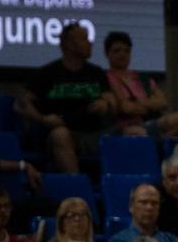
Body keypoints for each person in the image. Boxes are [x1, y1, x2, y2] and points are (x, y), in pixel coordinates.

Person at [14, 23, 114, 173]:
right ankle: (77, 191)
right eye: (85, 39)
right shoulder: (47, 74)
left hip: (92, 134)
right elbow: (20, 105)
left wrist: (105, 104)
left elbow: (112, 102)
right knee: (60, 135)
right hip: (60, 133)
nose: (90, 43)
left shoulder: (96, 73)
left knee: (133, 133)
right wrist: (42, 119)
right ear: (69, 45)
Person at [104, 30, 178, 137]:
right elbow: (126, 108)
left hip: (147, 123)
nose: (122, 54)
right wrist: (148, 104)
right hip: (122, 128)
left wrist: (138, 103)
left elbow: (163, 102)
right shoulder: (106, 78)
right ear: (107, 54)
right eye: (117, 51)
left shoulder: (141, 77)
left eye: (127, 51)